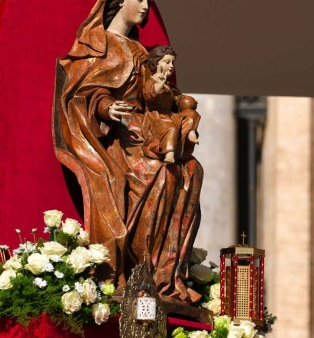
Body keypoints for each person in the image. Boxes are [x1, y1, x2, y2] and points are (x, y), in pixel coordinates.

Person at [53, 0, 203, 304]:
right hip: (118, 140)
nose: (146, 6)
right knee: (159, 172)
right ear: (119, 2)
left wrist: (182, 111)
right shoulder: (97, 45)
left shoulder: (142, 52)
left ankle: (166, 276)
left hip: (148, 130)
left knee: (191, 170)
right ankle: (138, 271)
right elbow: (80, 95)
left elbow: (156, 95)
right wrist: (107, 107)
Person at [142, 45, 200, 164]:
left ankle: (191, 132)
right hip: (157, 116)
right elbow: (149, 95)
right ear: (156, 63)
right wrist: (159, 85)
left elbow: (176, 100)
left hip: (170, 115)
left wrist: (185, 99)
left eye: (173, 63)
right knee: (171, 127)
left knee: (191, 114)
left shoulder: (169, 85)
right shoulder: (154, 80)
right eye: (167, 62)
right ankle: (169, 153)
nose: (171, 66)